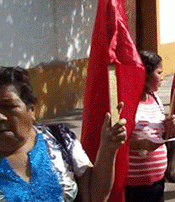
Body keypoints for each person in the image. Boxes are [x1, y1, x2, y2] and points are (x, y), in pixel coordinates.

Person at [0, 66, 127, 202]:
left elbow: (94, 197)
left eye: (8, 107)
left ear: (32, 109)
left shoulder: (60, 139)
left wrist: (108, 148)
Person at [126, 51, 175, 202]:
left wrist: (170, 126)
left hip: (157, 183)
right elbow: (118, 141)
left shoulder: (155, 99)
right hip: (134, 187)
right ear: (145, 74)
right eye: (159, 72)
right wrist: (141, 144)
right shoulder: (127, 104)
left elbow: (163, 136)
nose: (163, 77)